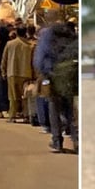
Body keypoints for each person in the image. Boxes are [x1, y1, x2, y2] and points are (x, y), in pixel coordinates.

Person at [34, 21, 79, 154]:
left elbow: (39, 60)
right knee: (70, 112)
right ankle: (76, 141)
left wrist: (44, 73)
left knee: (54, 111)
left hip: (53, 78)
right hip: (69, 80)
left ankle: (57, 142)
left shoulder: (48, 39)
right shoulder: (72, 38)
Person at [0, 25, 34, 122]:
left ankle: (12, 116)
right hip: (26, 73)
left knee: (13, 96)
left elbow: (4, 59)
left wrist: (3, 71)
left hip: (12, 73)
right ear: (25, 33)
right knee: (25, 96)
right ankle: (26, 116)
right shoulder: (30, 46)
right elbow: (32, 61)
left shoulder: (10, 44)